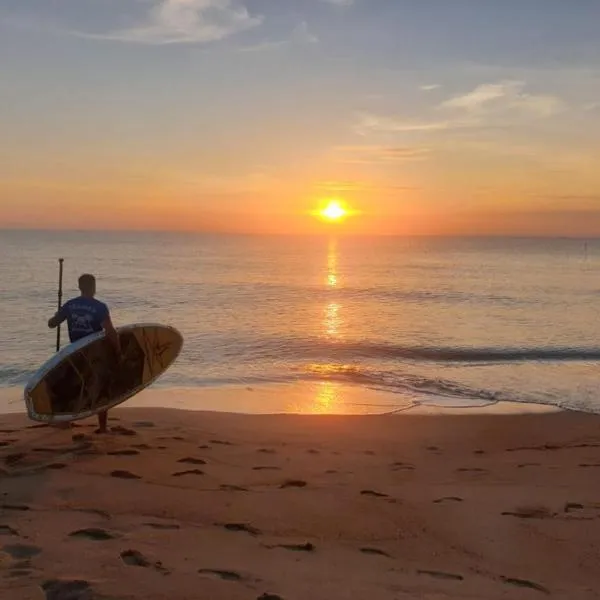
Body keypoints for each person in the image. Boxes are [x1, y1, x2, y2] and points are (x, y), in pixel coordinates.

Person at [47, 273, 122, 433]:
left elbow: (52, 324)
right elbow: (110, 331)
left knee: (71, 386)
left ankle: (65, 421)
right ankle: (102, 427)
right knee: (101, 386)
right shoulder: (100, 307)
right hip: (96, 352)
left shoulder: (70, 305)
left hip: (76, 353)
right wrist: (118, 350)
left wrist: (55, 317)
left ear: (80, 287)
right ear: (94, 287)